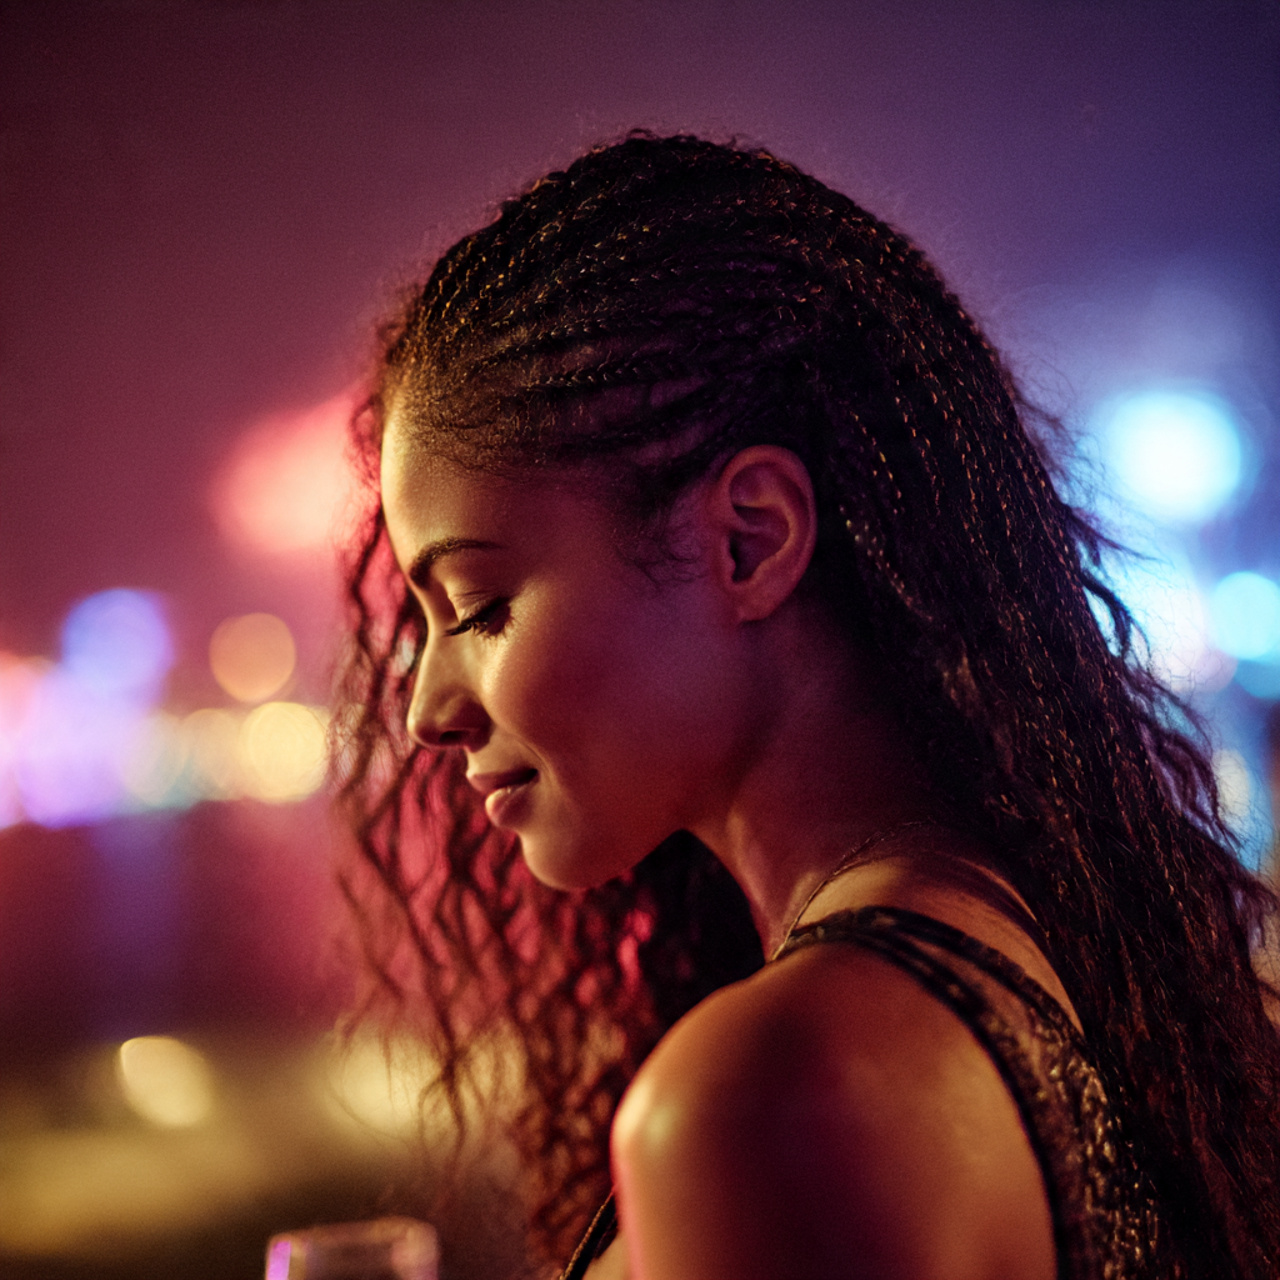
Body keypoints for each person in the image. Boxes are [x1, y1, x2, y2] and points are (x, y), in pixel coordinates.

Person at [336, 133, 1280, 1279]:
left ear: (751, 538)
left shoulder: (769, 1094)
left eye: (479, 607)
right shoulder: (1068, 947)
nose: (427, 709)